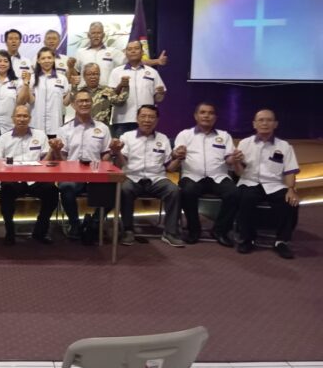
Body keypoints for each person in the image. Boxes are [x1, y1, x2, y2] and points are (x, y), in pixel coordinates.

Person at [109, 104, 184, 248]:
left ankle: (170, 232)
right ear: (137, 119)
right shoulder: (127, 137)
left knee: (174, 190)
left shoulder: (163, 138)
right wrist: (117, 152)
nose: (147, 120)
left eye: (151, 117)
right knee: (124, 189)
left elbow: (169, 167)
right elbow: (120, 164)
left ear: (157, 120)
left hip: (156, 178)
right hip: (132, 177)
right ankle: (128, 230)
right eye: (143, 116)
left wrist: (179, 159)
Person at [48, 89, 115, 243]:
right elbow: (62, 159)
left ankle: (95, 222)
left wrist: (109, 157)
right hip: (72, 175)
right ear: (73, 104)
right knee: (66, 187)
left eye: (87, 101)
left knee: (115, 188)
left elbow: (106, 154)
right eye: (80, 101)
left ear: (92, 103)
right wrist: (56, 151)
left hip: (96, 174)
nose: (84, 104)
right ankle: (75, 224)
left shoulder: (103, 128)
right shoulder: (64, 129)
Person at [232, 109, 299, 259]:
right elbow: (239, 173)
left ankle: (281, 241)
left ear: (275, 124)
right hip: (249, 181)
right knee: (245, 199)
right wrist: (236, 162)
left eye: (269, 120)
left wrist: (291, 189)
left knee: (290, 202)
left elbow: (290, 171)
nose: (265, 123)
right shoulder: (244, 143)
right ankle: (247, 238)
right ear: (254, 124)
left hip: (274, 184)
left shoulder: (284, 146)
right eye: (261, 120)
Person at [170, 103, 239, 246]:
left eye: (210, 113)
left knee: (234, 193)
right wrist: (178, 153)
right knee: (187, 191)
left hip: (218, 176)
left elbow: (228, 158)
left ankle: (220, 230)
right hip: (192, 176)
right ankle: (194, 230)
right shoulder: (185, 134)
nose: (206, 115)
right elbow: (176, 153)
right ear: (196, 116)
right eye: (202, 112)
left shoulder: (224, 135)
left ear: (215, 117)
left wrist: (234, 159)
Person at [0, 105, 58, 245]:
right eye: (19, 116)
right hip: (13, 180)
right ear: (13, 118)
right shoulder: (3, 138)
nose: (22, 119)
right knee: (6, 190)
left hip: (36, 179)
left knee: (52, 191)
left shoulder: (40, 135)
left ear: (30, 118)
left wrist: (52, 150)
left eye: (25, 116)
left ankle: (40, 231)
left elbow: (46, 161)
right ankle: (9, 231)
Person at [74, 22, 167, 86]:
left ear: (103, 35)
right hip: (84, 94)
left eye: (99, 33)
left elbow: (135, 61)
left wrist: (157, 61)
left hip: (105, 95)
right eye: (93, 33)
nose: (96, 36)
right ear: (88, 35)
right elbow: (73, 73)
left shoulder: (113, 52)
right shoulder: (80, 53)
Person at [107, 41, 166, 137]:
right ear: (125, 53)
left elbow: (158, 99)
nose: (133, 51)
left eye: (136, 48)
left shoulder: (152, 72)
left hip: (146, 121)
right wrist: (120, 85)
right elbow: (111, 97)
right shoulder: (116, 72)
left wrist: (161, 93)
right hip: (123, 120)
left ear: (142, 52)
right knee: (121, 146)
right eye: (129, 49)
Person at [0, 50, 31, 150]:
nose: (2, 63)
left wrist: (26, 83)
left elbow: (21, 103)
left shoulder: (17, 81)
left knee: (10, 155)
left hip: (10, 126)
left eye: (5, 61)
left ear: (10, 64)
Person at [30, 47, 71, 137]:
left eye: (49, 58)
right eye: (43, 58)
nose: (46, 61)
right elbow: (30, 101)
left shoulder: (62, 78)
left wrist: (73, 89)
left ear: (54, 59)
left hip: (55, 125)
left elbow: (66, 103)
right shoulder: (32, 78)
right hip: (36, 125)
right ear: (38, 61)